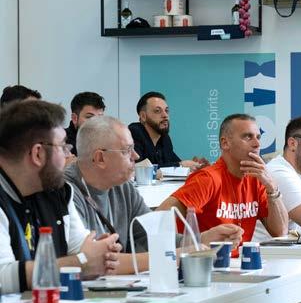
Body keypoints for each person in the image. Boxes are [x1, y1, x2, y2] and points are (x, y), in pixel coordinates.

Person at [66, 116, 244, 273]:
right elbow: (95, 263)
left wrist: (203, 239)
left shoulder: (123, 187)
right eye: (127, 150)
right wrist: (175, 255)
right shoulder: (66, 192)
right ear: (100, 158)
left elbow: (154, 236)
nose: (136, 156)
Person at [0, 100, 121, 293]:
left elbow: (79, 247)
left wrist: (102, 253)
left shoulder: (58, 192)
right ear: (38, 154)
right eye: (63, 146)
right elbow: (2, 276)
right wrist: (82, 262)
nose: (68, 155)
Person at [158, 114, 288, 249]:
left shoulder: (257, 180)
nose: (257, 144)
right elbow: (158, 219)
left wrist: (272, 188)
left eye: (258, 137)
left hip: (239, 259)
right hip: (206, 259)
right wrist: (195, 243)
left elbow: (281, 232)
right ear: (225, 143)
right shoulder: (207, 179)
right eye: (248, 137)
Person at [129, 91, 198, 168]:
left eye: (166, 111)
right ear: (143, 116)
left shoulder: (165, 138)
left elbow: (175, 163)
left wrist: (195, 165)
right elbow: (138, 169)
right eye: (157, 111)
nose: (165, 115)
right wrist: (180, 165)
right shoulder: (134, 133)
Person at [64, 91, 106, 156]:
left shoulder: (107, 141)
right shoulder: (60, 142)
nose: (96, 123)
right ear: (74, 118)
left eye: (100, 117)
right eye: (89, 117)